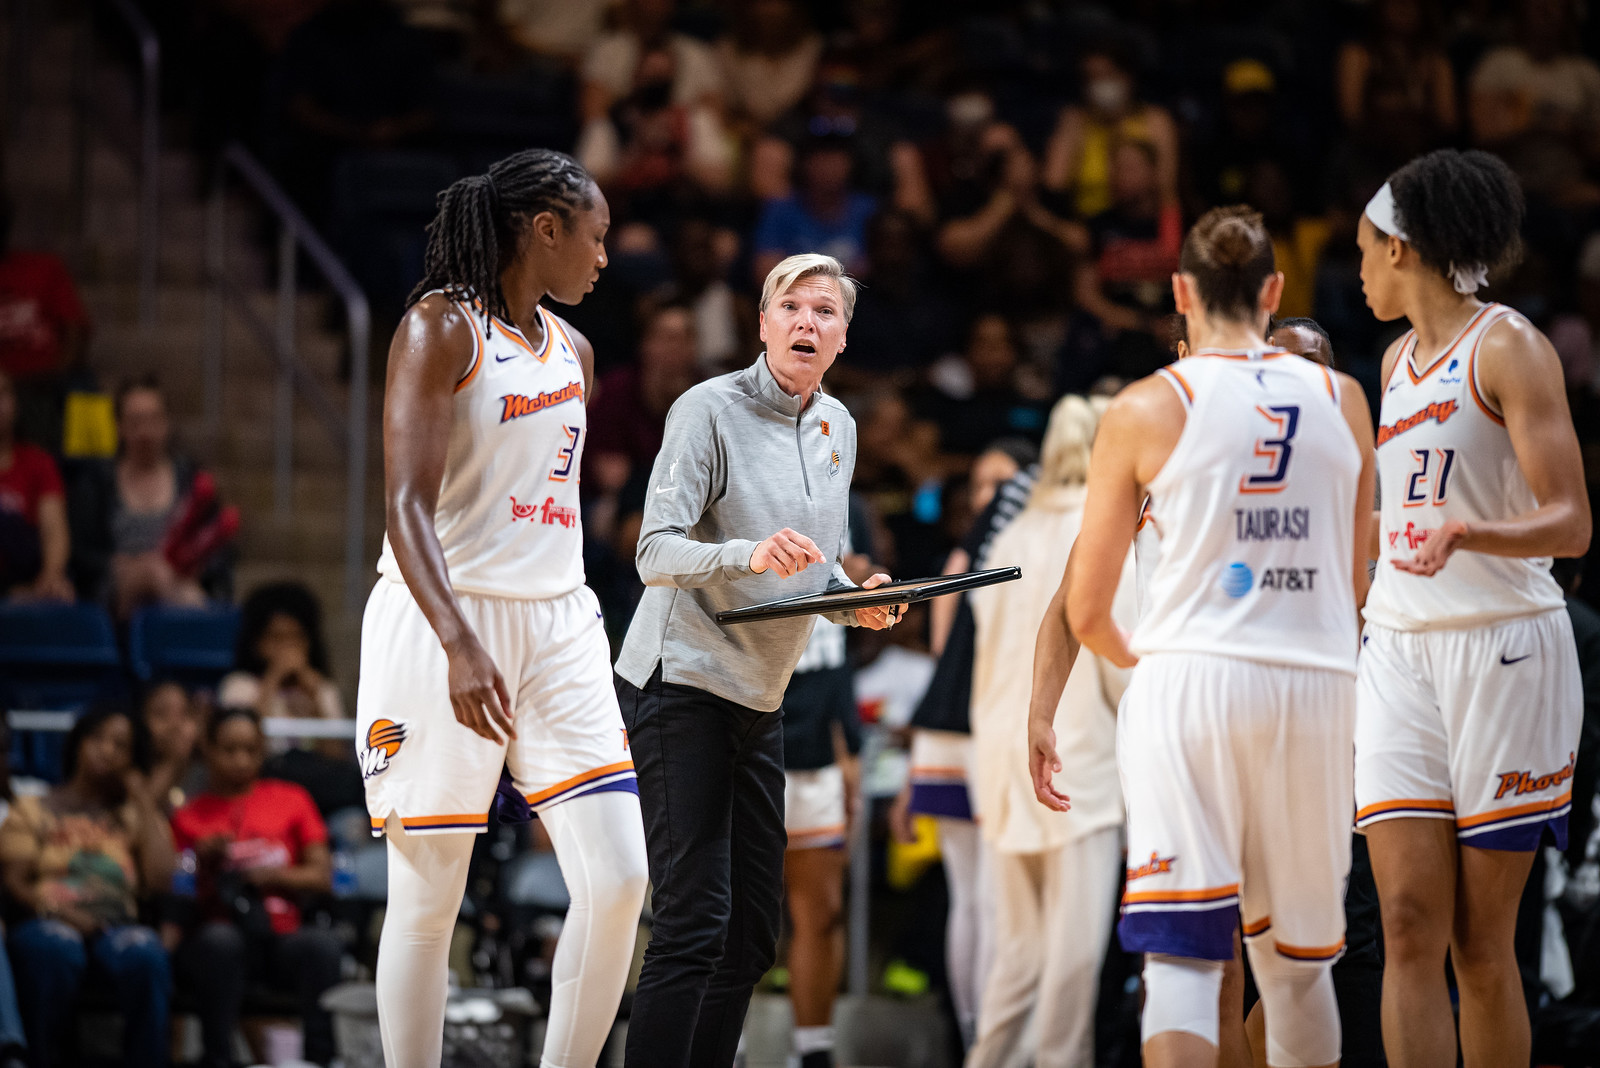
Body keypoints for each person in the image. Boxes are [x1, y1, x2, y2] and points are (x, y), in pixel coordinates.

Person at [355, 148, 648, 1068]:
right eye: (594, 238)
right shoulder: (440, 329)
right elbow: (406, 502)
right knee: (428, 893)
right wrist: (458, 642)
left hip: (560, 617)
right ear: (544, 229)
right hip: (445, 616)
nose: (606, 257)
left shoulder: (579, 351)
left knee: (620, 879)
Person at [1065, 205, 1374, 1068]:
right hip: (1317, 684)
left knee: (1185, 965)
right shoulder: (1343, 398)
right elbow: (1353, 584)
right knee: (1300, 970)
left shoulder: (1143, 405)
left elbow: (1087, 610)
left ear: (1181, 292)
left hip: (1192, 683)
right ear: (1275, 291)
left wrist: (1156, 656)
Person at [613, 252, 904, 1066]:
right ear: (764, 322)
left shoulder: (838, 425)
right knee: (693, 921)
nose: (808, 322)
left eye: (826, 311)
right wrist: (747, 554)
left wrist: (860, 595)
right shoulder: (706, 409)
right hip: (682, 682)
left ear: (843, 337)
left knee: (751, 935)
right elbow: (653, 552)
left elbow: (824, 559)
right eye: (792, 307)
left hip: (762, 694)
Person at [1354, 148, 1590, 1068]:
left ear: (1405, 250)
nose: (1362, 268)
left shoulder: (1509, 344)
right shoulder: (1392, 359)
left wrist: (1469, 531)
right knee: (1408, 926)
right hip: (1401, 646)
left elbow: (1572, 523)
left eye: (1368, 250)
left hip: (1503, 648)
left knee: (1482, 946)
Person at [966, 394, 1132, 1068]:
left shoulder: (1007, 538)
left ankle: (990, 1059)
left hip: (1002, 757)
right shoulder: (1103, 533)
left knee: (1017, 951)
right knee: (1074, 955)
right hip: (1079, 762)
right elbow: (1118, 661)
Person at [0, 704, 175, 1068]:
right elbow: (13, 882)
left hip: (115, 926)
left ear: (132, 759)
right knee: (55, 948)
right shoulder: (32, 809)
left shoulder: (130, 815)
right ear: (78, 742)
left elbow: (159, 880)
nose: (105, 750)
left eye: (120, 745)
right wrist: (60, 912)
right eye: (96, 738)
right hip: (46, 920)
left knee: (146, 953)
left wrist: (143, 797)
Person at [171, 708, 343, 1068]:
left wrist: (268, 876)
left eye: (250, 750)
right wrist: (202, 859)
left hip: (281, 938)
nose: (240, 760)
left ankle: (320, 1060)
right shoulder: (190, 815)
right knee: (219, 942)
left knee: (321, 946)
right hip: (221, 940)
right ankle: (218, 1058)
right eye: (229, 750)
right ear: (209, 749)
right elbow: (175, 887)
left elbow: (321, 876)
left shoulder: (291, 799)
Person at [70, 377, 236, 616]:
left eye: (153, 420)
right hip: (117, 598)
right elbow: (83, 554)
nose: (145, 432)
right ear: (118, 426)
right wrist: (118, 566)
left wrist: (190, 570)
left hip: (182, 582)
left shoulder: (191, 479)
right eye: (135, 421)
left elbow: (217, 549)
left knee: (168, 578)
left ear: (166, 423)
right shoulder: (97, 482)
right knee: (154, 573)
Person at [219, 582, 344, 722]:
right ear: (257, 643)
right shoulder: (239, 686)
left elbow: (334, 743)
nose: (287, 647)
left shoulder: (323, 690)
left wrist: (314, 699)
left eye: (296, 637)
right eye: (277, 638)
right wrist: (274, 679)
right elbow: (245, 737)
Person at [0, 367, 71, 601]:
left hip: (23, 579)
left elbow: (53, 530)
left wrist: (50, 575)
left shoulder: (39, 464)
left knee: (62, 596)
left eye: (3, 393)